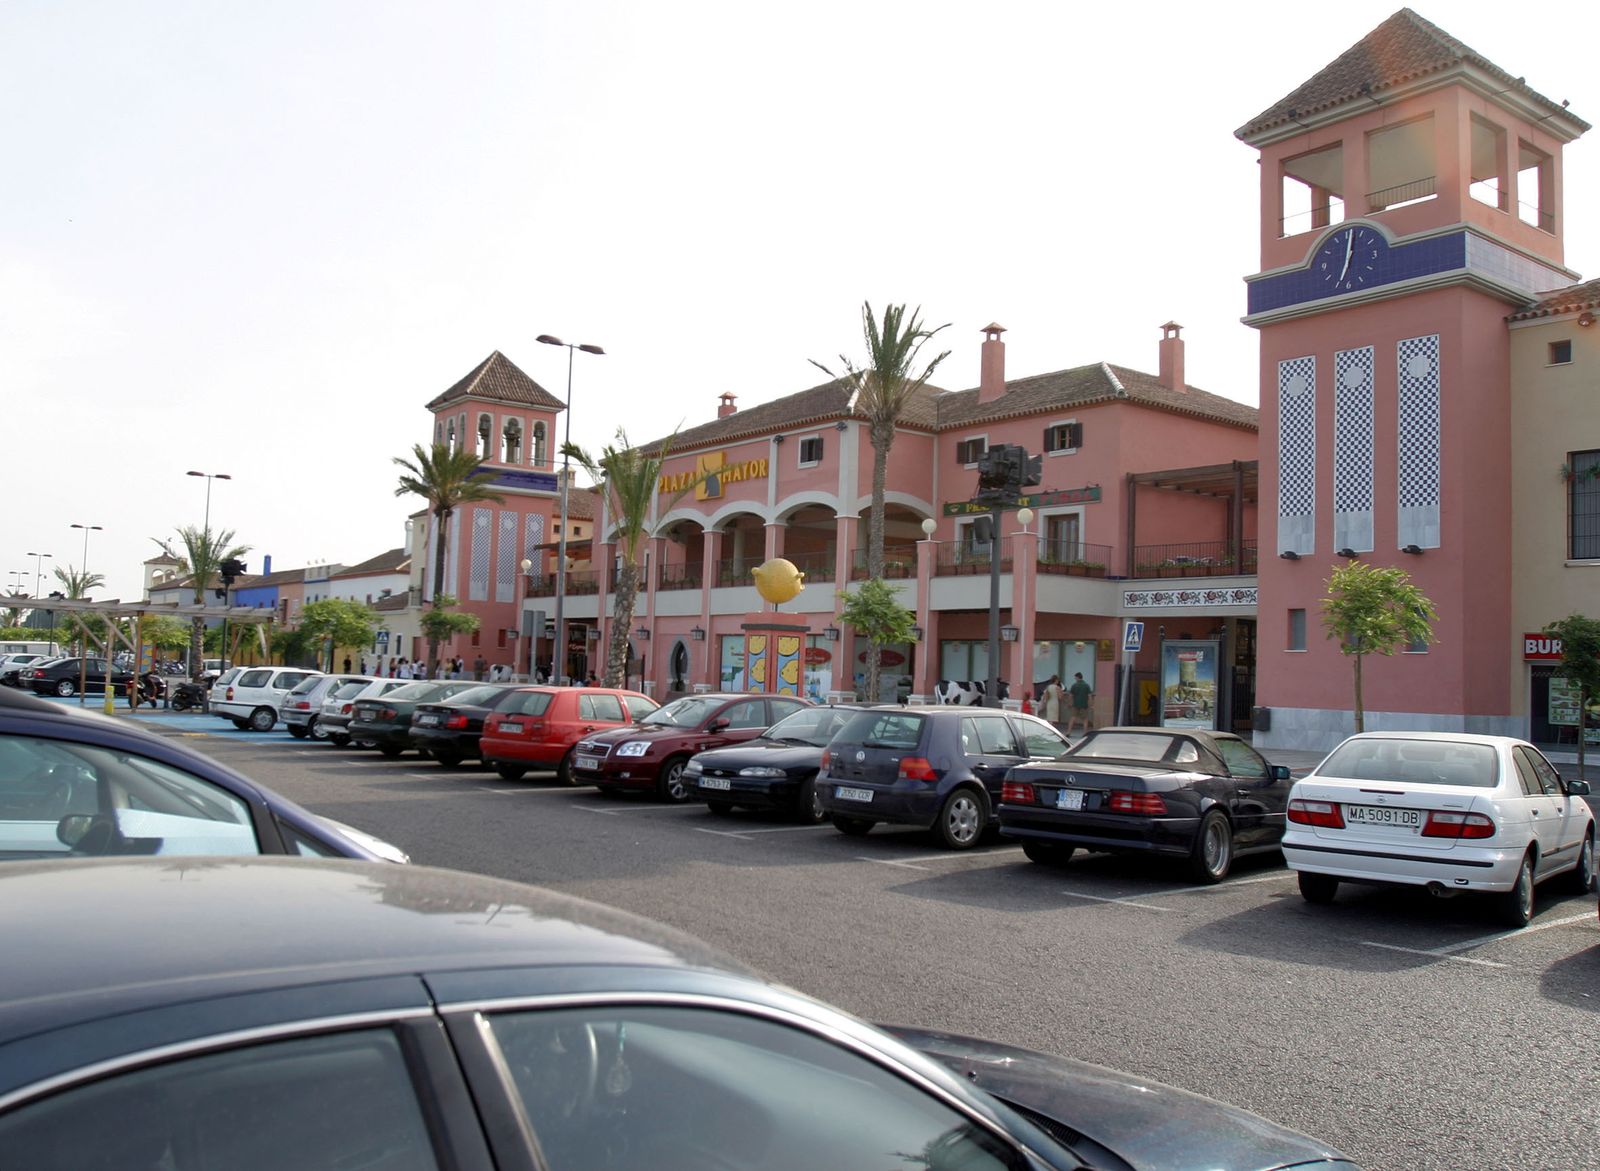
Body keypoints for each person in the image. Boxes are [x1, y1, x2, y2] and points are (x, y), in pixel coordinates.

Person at [1066, 672, 1093, 736]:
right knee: (1085, 719)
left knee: (1073, 718)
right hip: (1084, 705)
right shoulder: (1086, 685)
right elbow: (1090, 696)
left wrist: (1069, 703)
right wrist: (1091, 704)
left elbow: (1070, 696)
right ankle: (1085, 733)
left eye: (1075, 677)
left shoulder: (1074, 685)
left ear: (1077, 677)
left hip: (1075, 704)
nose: (1075, 679)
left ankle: (1068, 732)